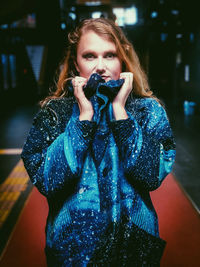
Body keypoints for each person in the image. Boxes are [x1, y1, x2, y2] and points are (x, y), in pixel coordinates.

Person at [21, 18, 176, 266]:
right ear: (75, 62)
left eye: (110, 55)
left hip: (132, 250)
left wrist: (120, 114)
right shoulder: (55, 113)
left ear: (123, 59)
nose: (101, 66)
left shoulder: (147, 111)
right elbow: (47, 180)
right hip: (73, 251)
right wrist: (83, 119)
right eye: (90, 56)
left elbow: (151, 176)